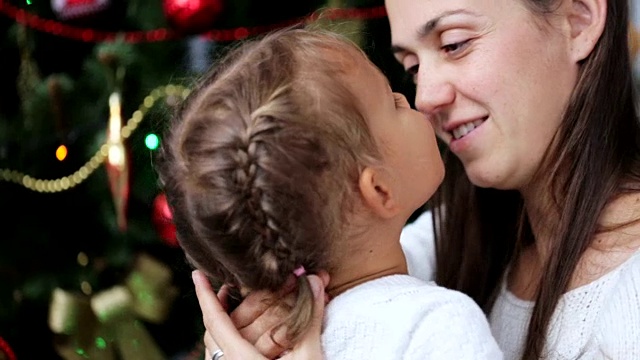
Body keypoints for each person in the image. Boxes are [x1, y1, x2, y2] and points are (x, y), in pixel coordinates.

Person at [193, 0, 640, 359]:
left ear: (577, 21)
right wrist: (245, 335)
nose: (425, 98)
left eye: (455, 44)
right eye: (412, 68)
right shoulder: (442, 244)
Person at [157, 27, 503, 359]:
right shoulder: (437, 326)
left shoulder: (266, 346)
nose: (417, 100)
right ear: (380, 190)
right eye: (393, 103)